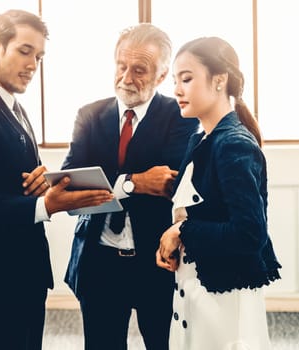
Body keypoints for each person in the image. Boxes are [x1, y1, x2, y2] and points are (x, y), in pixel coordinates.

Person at [0, 9, 114, 350]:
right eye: (24, 51)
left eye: (39, 56)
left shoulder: (14, 106)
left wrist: (44, 184)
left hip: (24, 274)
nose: (33, 64)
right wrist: (43, 205)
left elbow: (8, 178)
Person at [60, 24, 199, 350]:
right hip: (99, 262)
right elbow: (69, 184)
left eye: (139, 69)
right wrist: (133, 183)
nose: (126, 77)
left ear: (162, 74)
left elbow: (169, 183)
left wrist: (105, 179)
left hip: (156, 261)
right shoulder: (90, 115)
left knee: (162, 343)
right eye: (121, 66)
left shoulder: (181, 117)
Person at [156, 36, 281, 349]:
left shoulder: (233, 144)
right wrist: (176, 237)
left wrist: (182, 230)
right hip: (195, 293)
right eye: (175, 81)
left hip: (223, 301)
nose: (177, 90)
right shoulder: (200, 138)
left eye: (186, 78)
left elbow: (250, 234)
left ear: (219, 80)